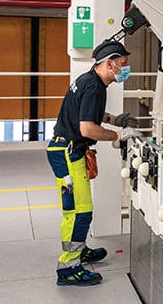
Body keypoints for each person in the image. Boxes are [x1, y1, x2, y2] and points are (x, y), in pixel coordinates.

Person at [47, 39, 141, 286]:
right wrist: (118, 135)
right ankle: (69, 267)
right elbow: (87, 128)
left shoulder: (90, 80)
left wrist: (115, 119)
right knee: (79, 212)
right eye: (123, 63)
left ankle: (80, 250)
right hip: (69, 153)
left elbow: (88, 113)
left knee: (78, 208)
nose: (126, 67)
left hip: (66, 150)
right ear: (109, 64)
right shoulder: (94, 87)